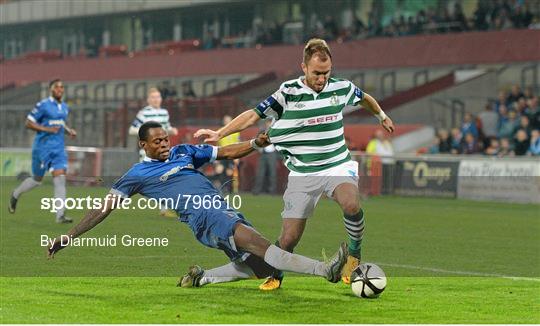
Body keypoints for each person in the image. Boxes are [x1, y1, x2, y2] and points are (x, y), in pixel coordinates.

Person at [194, 38, 394, 290]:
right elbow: (253, 114)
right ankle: (275, 273)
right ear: (304, 67)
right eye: (316, 73)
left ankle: (354, 254)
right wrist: (220, 133)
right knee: (288, 238)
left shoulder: (341, 88)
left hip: (336, 165)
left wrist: (382, 116)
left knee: (351, 202)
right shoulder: (287, 92)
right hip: (302, 174)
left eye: (326, 72)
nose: (322, 78)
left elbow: (365, 98)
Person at [47, 122, 348, 288]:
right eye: (157, 142)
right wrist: (69, 236)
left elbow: (226, 152)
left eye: (165, 139)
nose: (164, 144)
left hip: (219, 208)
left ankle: (201, 278)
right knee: (262, 246)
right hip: (206, 216)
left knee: (259, 267)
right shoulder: (135, 175)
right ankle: (326, 270)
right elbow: (103, 208)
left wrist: (256, 143)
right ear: (143, 146)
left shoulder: (184, 152)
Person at [8, 79, 77, 223]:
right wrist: (47, 129)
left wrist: (69, 131)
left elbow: (60, 124)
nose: (60, 89)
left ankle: (60, 215)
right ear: (51, 89)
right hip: (43, 147)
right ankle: (15, 193)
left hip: (58, 148)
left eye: (62, 87)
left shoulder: (64, 107)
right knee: (36, 180)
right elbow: (28, 122)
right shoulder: (43, 105)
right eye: (56, 87)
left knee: (60, 178)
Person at [129, 87, 178, 217]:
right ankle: (137, 189)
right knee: (149, 180)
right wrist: (147, 132)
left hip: (162, 152)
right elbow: (132, 130)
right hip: (148, 153)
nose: (157, 99)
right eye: (154, 97)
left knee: (165, 178)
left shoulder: (164, 113)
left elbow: (166, 128)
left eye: (158, 97)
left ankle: (164, 209)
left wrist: (172, 130)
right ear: (149, 99)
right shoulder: (143, 113)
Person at [253, 120, 278, 195]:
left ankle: (272, 191)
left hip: (272, 154)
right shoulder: (262, 132)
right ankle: (256, 190)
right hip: (263, 154)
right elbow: (256, 141)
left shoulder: (275, 132)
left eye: (270, 122)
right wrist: (259, 148)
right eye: (267, 122)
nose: (268, 124)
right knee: (260, 173)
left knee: (272, 173)